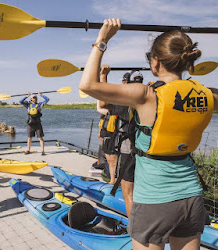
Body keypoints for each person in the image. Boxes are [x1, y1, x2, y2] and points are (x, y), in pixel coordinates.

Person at [79, 18, 218, 249]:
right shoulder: (207, 96)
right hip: (192, 197)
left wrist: (101, 41)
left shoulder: (146, 95)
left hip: (155, 199)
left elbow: (87, 85)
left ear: (155, 62)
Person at [100, 68, 144, 217]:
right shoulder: (151, 97)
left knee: (128, 192)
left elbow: (102, 102)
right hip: (149, 151)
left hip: (129, 150)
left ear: (127, 84)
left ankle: (134, 229)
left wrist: (103, 76)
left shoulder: (124, 102)